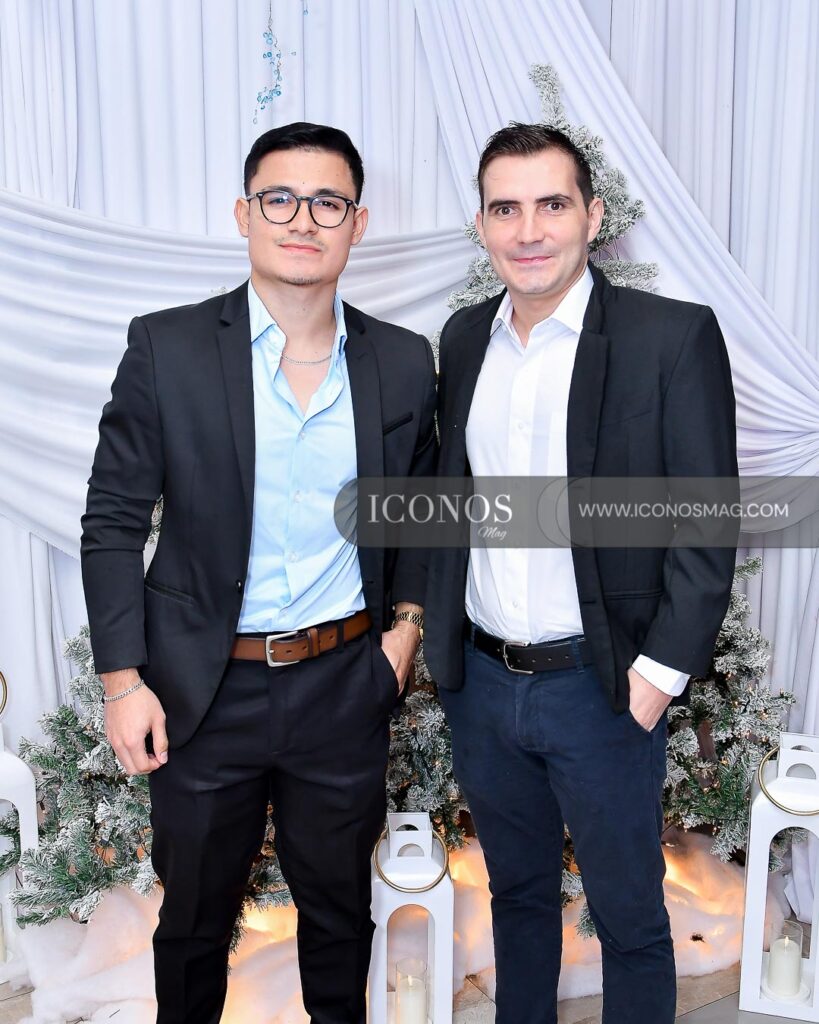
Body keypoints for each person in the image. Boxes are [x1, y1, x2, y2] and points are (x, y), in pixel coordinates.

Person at [80, 121, 435, 1024]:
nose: (302, 220)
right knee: (194, 924)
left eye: (328, 203)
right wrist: (123, 682)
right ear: (245, 214)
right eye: (280, 199)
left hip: (343, 685)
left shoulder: (402, 360)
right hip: (203, 694)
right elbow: (113, 521)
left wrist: (404, 631)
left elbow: (421, 510)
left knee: (338, 915)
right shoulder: (167, 348)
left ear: (357, 223)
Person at [424, 123, 738, 1024]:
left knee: (628, 916)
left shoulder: (669, 337)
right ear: (481, 225)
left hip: (603, 688)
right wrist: (442, 654)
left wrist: (655, 679)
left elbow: (706, 519)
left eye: (551, 204)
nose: (528, 230)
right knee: (516, 899)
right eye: (505, 208)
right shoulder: (463, 339)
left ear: (592, 217)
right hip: (484, 683)